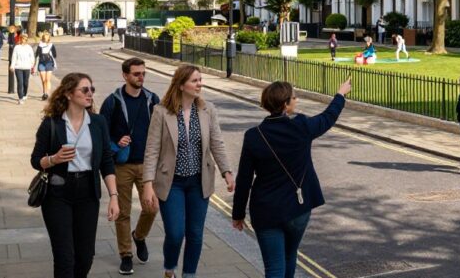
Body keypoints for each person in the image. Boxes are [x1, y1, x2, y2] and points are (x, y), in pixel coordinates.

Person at [232, 78, 351, 278]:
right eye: (294, 98)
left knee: (274, 267)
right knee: (289, 255)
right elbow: (328, 118)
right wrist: (340, 95)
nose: (296, 101)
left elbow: (244, 179)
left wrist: (238, 213)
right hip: (298, 209)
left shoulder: (254, 136)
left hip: (266, 210)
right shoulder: (302, 127)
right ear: (285, 104)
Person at [141, 66, 235, 278]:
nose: (200, 84)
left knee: (195, 234)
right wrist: (147, 184)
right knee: (175, 233)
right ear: (181, 85)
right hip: (171, 182)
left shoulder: (207, 110)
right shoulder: (161, 111)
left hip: (198, 181)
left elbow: (217, 143)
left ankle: (189, 274)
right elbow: (152, 149)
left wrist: (226, 172)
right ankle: (170, 269)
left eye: (200, 80)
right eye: (195, 81)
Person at [31, 72, 119, 278]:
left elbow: (106, 161)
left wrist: (114, 196)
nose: (90, 94)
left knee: (85, 257)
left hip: (88, 193)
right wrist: (54, 159)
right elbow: (36, 160)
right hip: (57, 192)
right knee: (64, 257)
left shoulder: (98, 123)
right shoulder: (51, 123)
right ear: (69, 94)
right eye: (85, 90)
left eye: (92, 90)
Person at [100, 58, 161, 276]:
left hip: (147, 164)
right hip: (122, 165)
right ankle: (126, 255)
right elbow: (101, 132)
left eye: (143, 73)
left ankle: (140, 236)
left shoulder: (153, 99)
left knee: (152, 207)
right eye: (136, 74)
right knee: (123, 212)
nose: (141, 77)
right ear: (125, 75)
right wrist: (117, 142)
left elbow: (162, 130)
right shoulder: (112, 102)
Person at [11, 36, 36, 104]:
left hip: (27, 67)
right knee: (20, 83)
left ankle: (25, 94)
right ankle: (20, 98)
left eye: (25, 39)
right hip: (18, 67)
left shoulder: (29, 48)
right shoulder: (17, 47)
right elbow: (14, 57)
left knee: (25, 83)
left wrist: (31, 65)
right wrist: (12, 66)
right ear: (20, 39)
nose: (23, 40)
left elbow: (32, 57)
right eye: (22, 39)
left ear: (26, 40)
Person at [36, 32, 58, 101]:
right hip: (41, 63)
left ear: (49, 38)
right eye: (44, 38)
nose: (46, 39)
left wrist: (50, 53)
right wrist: (33, 64)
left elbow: (55, 55)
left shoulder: (51, 45)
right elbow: (36, 54)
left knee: (47, 80)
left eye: (47, 37)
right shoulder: (40, 45)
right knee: (43, 80)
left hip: (49, 63)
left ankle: (47, 93)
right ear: (43, 38)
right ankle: (44, 92)